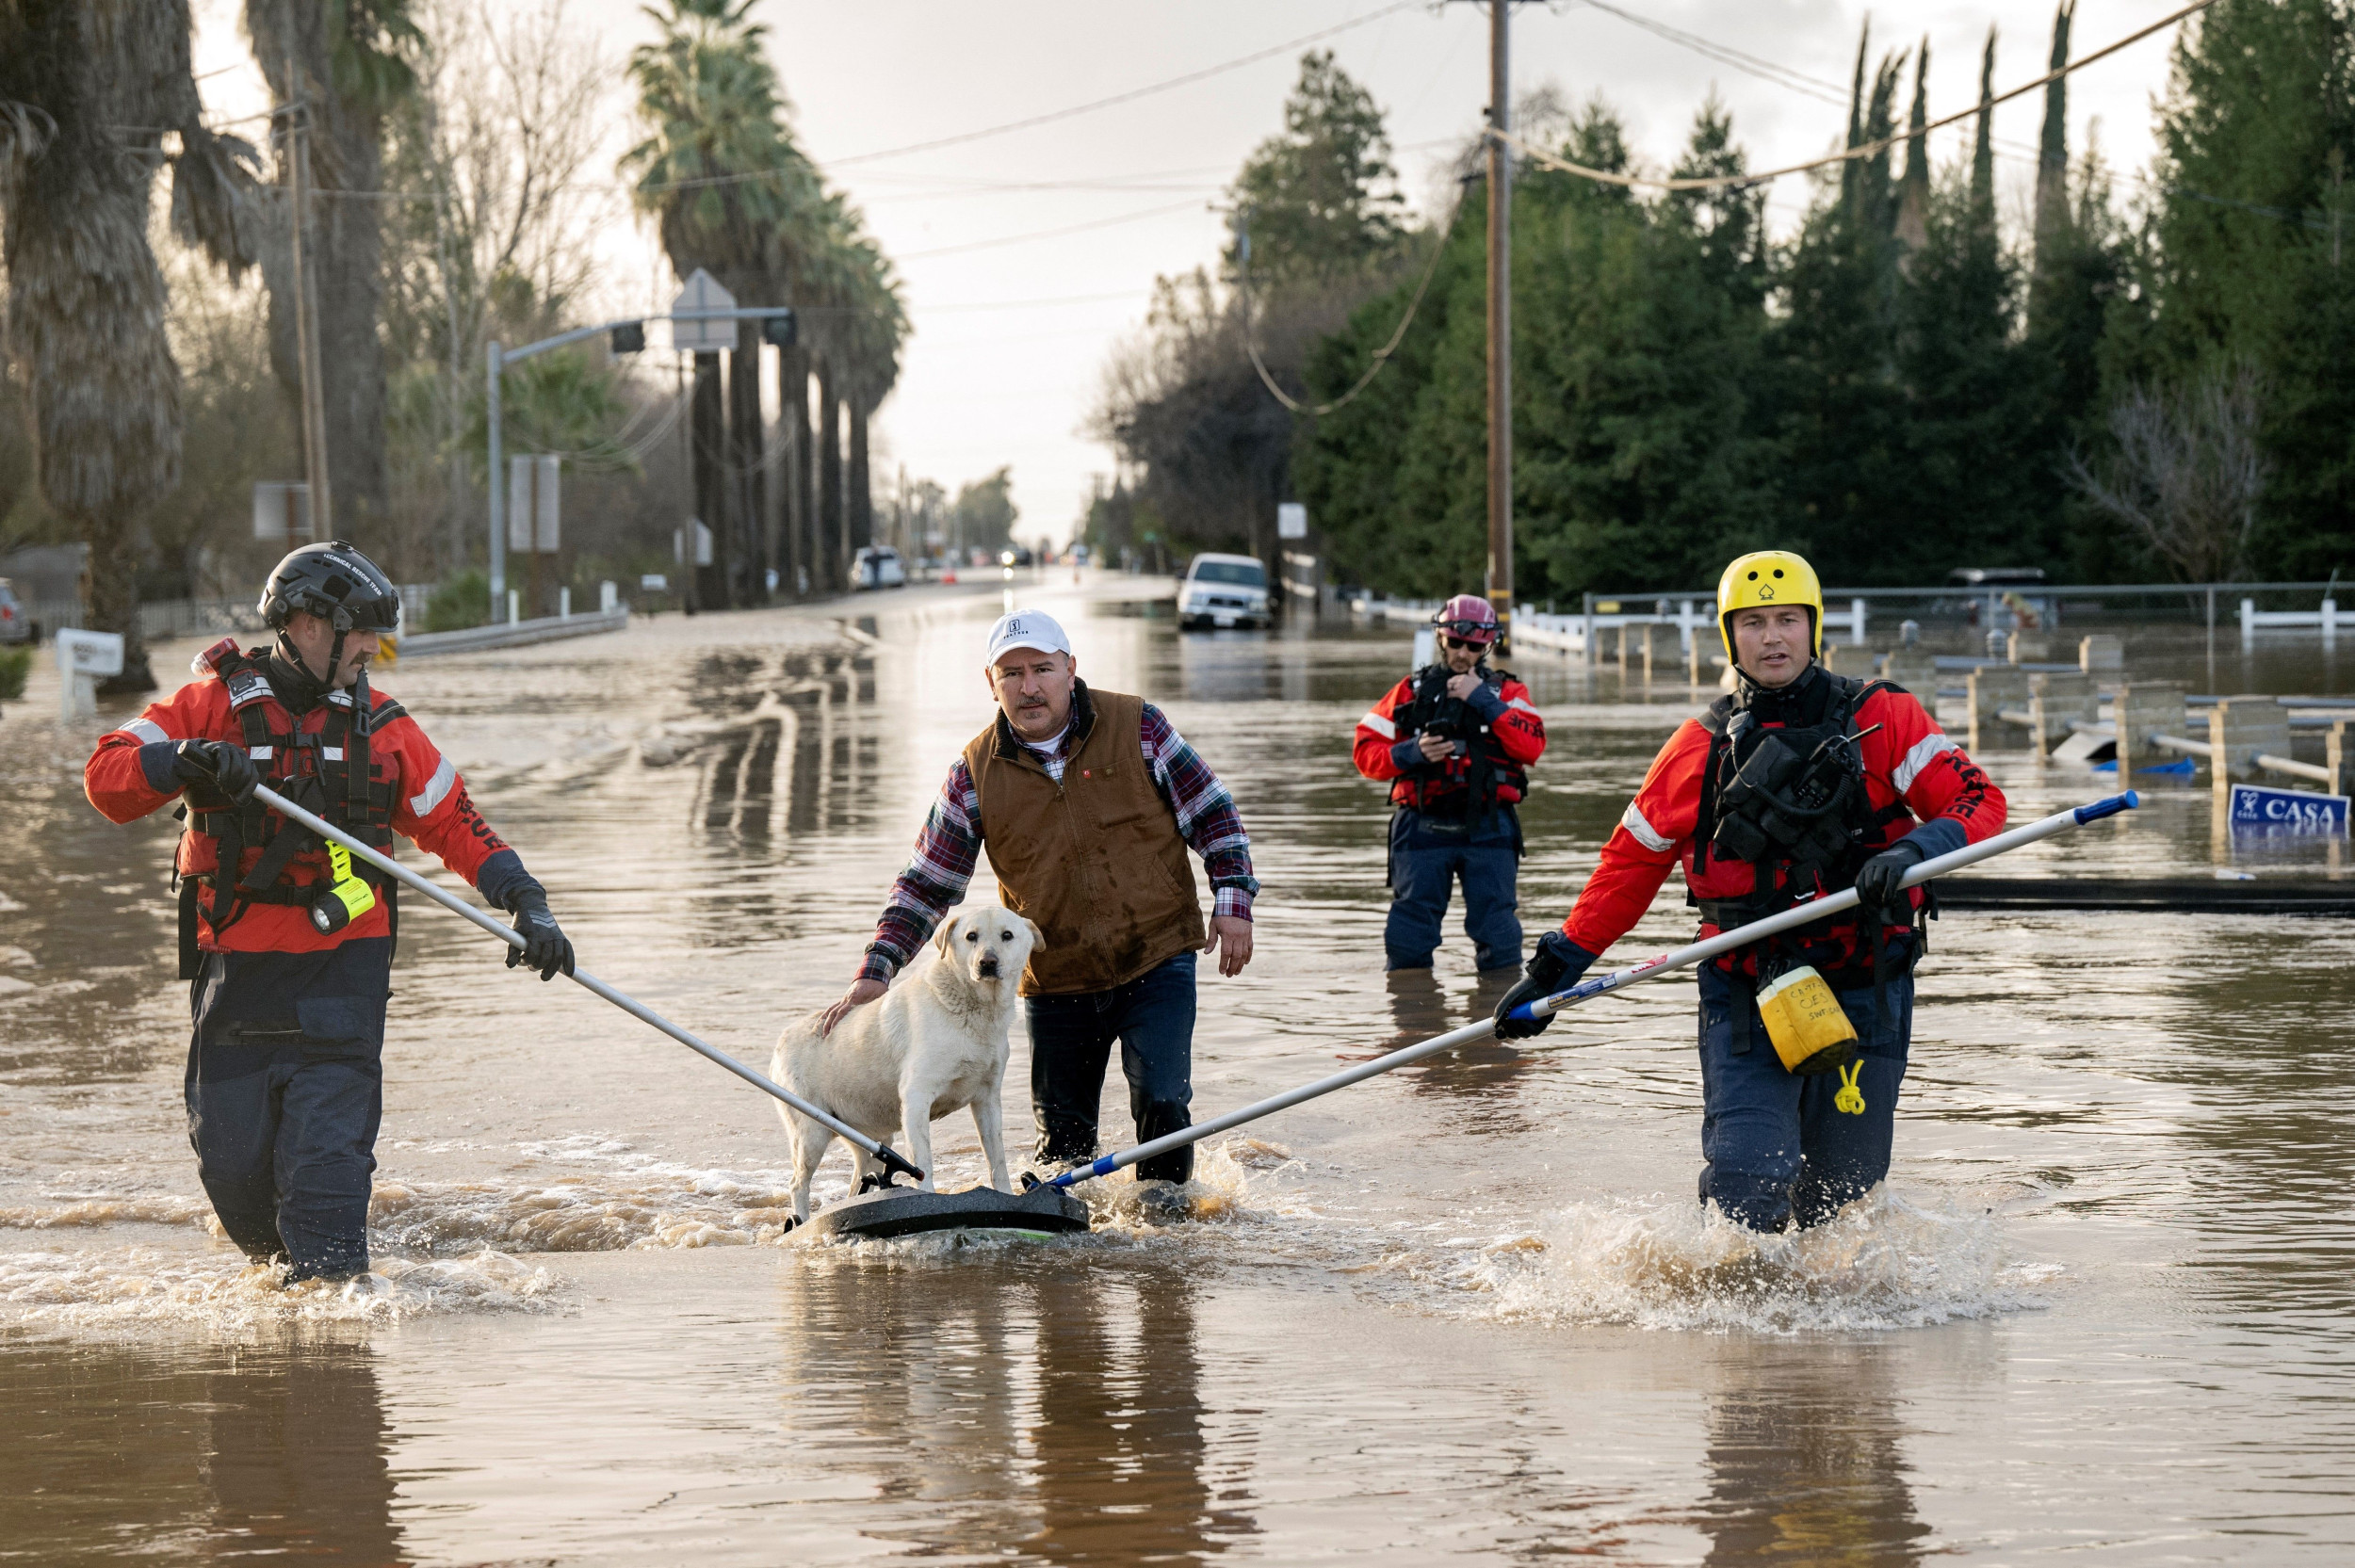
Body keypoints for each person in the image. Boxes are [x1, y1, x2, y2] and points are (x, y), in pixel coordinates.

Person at [84, 542, 574, 1284]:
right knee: (239, 1188)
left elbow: (457, 822)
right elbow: (106, 778)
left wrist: (527, 902)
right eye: (362, 631)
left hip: (344, 980)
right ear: (308, 624)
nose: (374, 649)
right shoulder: (210, 705)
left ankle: (338, 1352)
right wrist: (184, 757)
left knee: (324, 1210)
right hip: (238, 978)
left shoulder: (384, 726)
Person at [1495, 550, 2006, 1232]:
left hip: (1865, 981)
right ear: (1731, 636)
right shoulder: (1695, 747)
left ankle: (1821, 1339)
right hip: (1747, 989)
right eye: (1755, 622)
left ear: (1813, 626)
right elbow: (1628, 867)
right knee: (1745, 1193)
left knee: (1841, 1206)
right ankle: (1740, 1335)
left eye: (1788, 620)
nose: (1772, 637)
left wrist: (1915, 850)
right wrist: (1554, 969)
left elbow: (1979, 802)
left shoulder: (1886, 717)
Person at [822, 609, 1257, 1194]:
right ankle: (1064, 1246)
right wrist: (876, 973)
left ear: (1070, 670)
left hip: (1156, 953)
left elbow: (1213, 813)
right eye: (1012, 673)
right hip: (1054, 976)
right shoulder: (972, 773)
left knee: (1161, 1099)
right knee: (1063, 1143)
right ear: (991, 682)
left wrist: (1231, 903)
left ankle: (1166, 1236)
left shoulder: (1138, 725)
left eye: (1042, 669)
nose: (1029, 686)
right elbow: (927, 885)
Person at [1353, 594, 1547, 974]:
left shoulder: (1508, 695)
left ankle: (1498, 1025)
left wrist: (1484, 702)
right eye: (1455, 643)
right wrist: (1413, 752)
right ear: (1441, 640)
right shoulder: (1410, 692)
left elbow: (1533, 745)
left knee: (1500, 939)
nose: (1462, 652)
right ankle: (1413, 1025)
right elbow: (1364, 752)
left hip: (1489, 827)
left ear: (1487, 646)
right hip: (1423, 826)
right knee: (1408, 940)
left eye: (1473, 646)